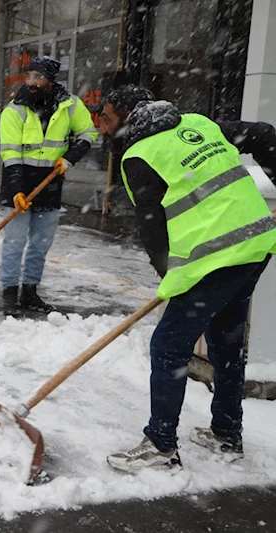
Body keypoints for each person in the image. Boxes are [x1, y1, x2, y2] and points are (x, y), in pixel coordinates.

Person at [99, 85, 276, 472]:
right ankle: (226, 434)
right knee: (225, 341)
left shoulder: (139, 155)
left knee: (168, 344)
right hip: (255, 244)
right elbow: (264, 132)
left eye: (107, 118)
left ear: (128, 116)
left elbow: (152, 229)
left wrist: (171, 277)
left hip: (216, 259)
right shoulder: (198, 123)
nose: (102, 128)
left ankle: (161, 444)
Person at [0, 56, 97, 316]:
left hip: (51, 179)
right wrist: (17, 189)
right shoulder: (15, 110)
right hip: (17, 179)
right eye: (28, 76)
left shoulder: (70, 105)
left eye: (37, 77)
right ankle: (10, 293)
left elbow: (89, 132)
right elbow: (10, 154)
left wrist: (69, 158)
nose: (30, 82)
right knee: (14, 242)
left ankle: (30, 291)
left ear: (51, 80)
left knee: (41, 242)